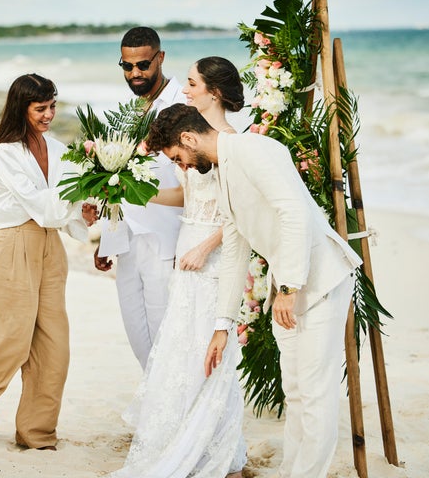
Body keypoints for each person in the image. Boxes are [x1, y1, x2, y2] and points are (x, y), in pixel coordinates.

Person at [146, 103, 364, 478]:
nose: (181, 167)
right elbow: (234, 247)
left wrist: (290, 287)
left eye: (178, 158)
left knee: (313, 393)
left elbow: (293, 213)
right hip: (289, 286)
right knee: (296, 391)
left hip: (320, 280)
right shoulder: (224, 169)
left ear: (188, 138)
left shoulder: (251, 150)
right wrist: (222, 323)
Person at [110, 57, 247, 478]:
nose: (185, 88)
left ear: (214, 91)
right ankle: (181, 433)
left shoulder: (229, 144)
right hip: (186, 244)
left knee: (209, 345)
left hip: (212, 253)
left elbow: (240, 214)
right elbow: (188, 198)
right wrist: (133, 190)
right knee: (182, 345)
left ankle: (212, 444)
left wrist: (206, 247)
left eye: (191, 82)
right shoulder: (189, 141)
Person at [0, 73, 98, 449]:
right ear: (21, 108)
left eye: (52, 106)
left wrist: (84, 213)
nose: (49, 115)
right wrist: (75, 200)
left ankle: (37, 432)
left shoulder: (57, 148)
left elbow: (64, 208)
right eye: (40, 108)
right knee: (8, 339)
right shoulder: (7, 152)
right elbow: (41, 206)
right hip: (15, 245)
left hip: (51, 248)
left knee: (54, 344)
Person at [94, 26, 185, 370]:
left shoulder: (181, 105)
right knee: (138, 336)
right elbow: (118, 182)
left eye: (143, 65)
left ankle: (168, 417)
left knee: (165, 335)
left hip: (165, 242)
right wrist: (105, 239)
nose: (135, 73)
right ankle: (156, 410)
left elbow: (195, 177)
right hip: (126, 240)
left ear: (160, 58)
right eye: (127, 66)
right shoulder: (133, 111)